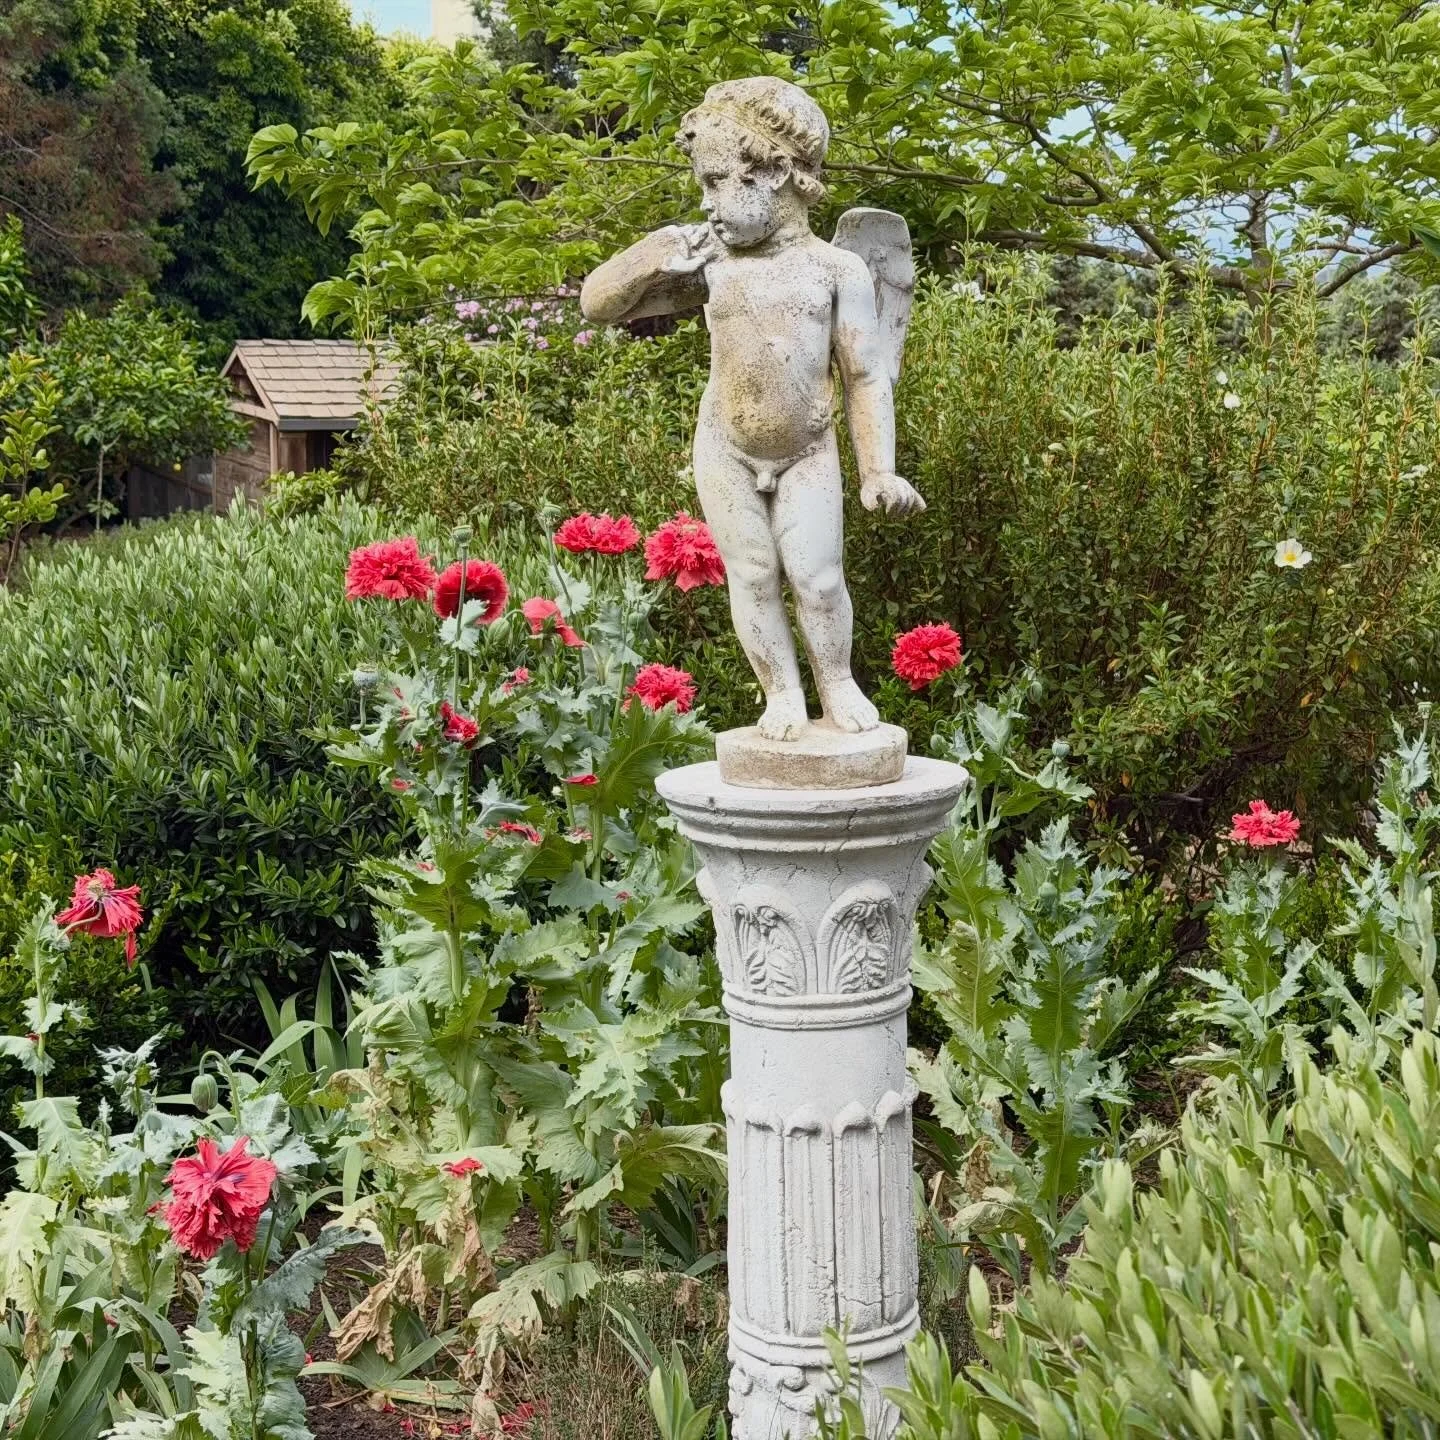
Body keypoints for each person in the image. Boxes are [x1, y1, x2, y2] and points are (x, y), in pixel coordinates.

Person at [580, 76, 925, 741]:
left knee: (819, 579)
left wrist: (877, 471)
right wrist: (653, 256)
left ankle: (836, 683)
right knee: (754, 573)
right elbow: (598, 303)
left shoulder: (836, 270)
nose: (705, 203)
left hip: (807, 447)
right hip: (726, 446)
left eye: (715, 183)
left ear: (774, 173)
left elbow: (865, 374)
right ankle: (782, 694)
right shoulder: (709, 262)